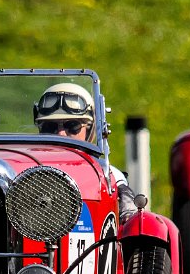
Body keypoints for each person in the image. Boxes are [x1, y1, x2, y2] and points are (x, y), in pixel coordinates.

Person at [33, 83, 137, 221]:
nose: (61, 134)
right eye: (50, 127)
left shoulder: (108, 174)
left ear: (89, 129)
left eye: (72, 126)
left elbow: (131, 219)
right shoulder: (26, 172)